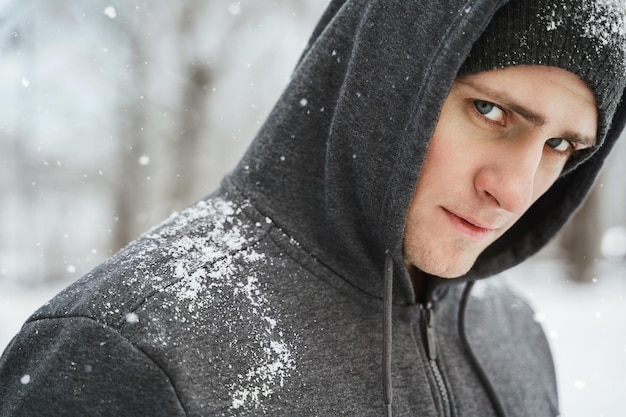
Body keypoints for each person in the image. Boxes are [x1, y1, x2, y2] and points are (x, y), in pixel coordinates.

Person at [1, 0, 625, 415]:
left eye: (560, 145)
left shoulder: (510, 331)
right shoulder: (130, 346)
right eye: (490, 111)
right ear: (386, 83)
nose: (513, 191)